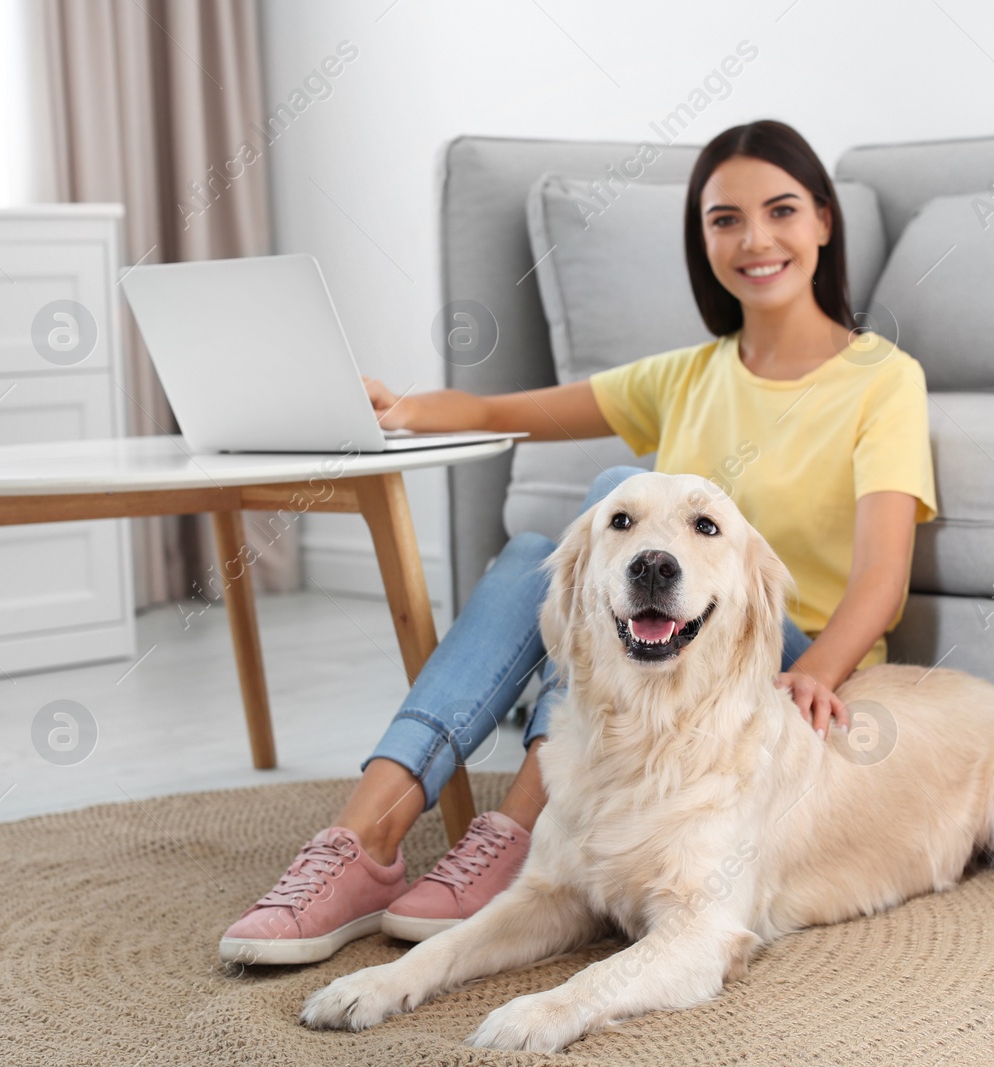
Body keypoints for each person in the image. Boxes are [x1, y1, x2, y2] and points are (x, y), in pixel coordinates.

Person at [219, 118, 937, 965]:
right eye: (724, 219)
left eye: (781, 211)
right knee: (538, 557)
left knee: (610, 502)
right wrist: (394, 409)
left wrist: (814, 671)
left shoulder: (882, 377)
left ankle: (524, 830)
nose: (755, 239)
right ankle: (362, 840)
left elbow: (883, 577)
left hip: (773, 653)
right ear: (701, 237)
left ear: (823, 220)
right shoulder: (688, 374)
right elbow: (501, 412)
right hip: (665, 641)